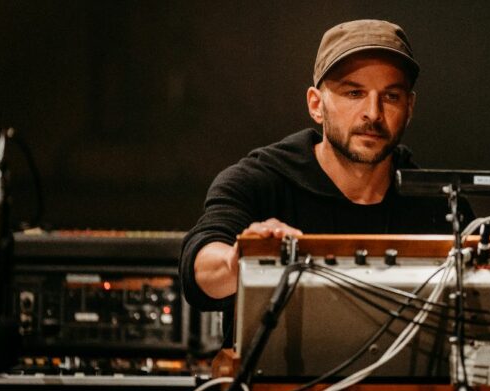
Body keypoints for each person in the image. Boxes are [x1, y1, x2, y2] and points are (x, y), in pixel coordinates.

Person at [180, 19, 474, 311]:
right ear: (316, 105)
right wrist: (238, 261)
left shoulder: (440, 203)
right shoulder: (258, 181)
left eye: (391, 96)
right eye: (354, 93)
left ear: (409, 108)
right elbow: (200, 269)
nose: (373, 113)